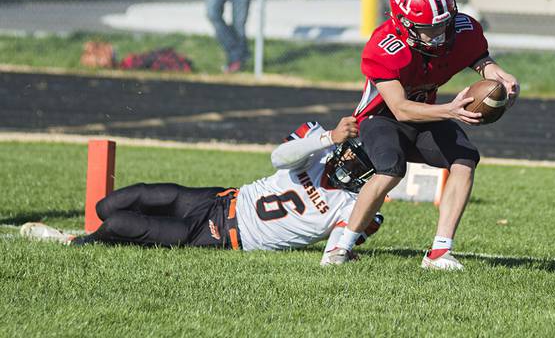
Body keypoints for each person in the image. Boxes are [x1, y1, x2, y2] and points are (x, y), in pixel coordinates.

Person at [324, 0, 520, 270]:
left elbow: (481, 62)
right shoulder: (384, 46)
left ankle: (440, 252)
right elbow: (400, 108)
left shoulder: (462, 29)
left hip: (425, 115)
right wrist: (450, 110)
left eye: (444, 24)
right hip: (382, 118)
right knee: (391, 170)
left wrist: (500, 78)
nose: (440, 34)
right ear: (403, 23)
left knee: (465, 158)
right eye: (430, 28)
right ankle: (342, 246)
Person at [21, 117, 384, 262]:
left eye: (356, 165)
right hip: (218, 198)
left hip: (221, 235)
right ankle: (92, 231)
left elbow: (341, 246)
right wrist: (327, 138)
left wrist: (346, 251)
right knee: (116, 202)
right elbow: (278, 157)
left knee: (120, 224)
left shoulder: (356, 207)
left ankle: (71, 242)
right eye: (348, 155)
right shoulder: (321, 147)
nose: (345, 162)